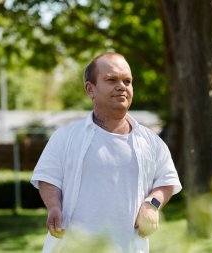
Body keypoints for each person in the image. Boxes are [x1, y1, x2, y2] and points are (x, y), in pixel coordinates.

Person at [31, 52, 182, 253]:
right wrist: (54, 207)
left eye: (127, 81)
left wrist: (152, 204)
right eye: (111, 80)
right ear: (90, 89)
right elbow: (48, 178)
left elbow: (166, 181)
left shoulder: (151, 142)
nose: (122, 86)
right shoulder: (65, 137)